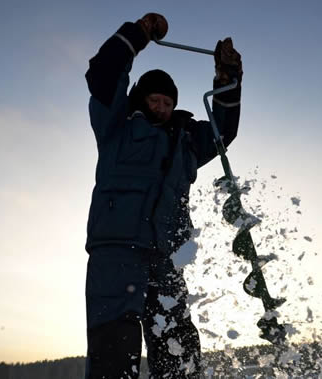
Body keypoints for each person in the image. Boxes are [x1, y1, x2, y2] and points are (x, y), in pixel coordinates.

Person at [83, 12, 243, 378]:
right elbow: (103, 75)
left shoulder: (186, 140)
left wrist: (228, 78)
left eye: (168, 103)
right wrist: (137, 34)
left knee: (178, 348)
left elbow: (223, 132)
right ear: (141, 100)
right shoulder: (116, 128)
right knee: (115, 349)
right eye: (155, 100)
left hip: (166, 257)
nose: (162, 108)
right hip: (116, 253)